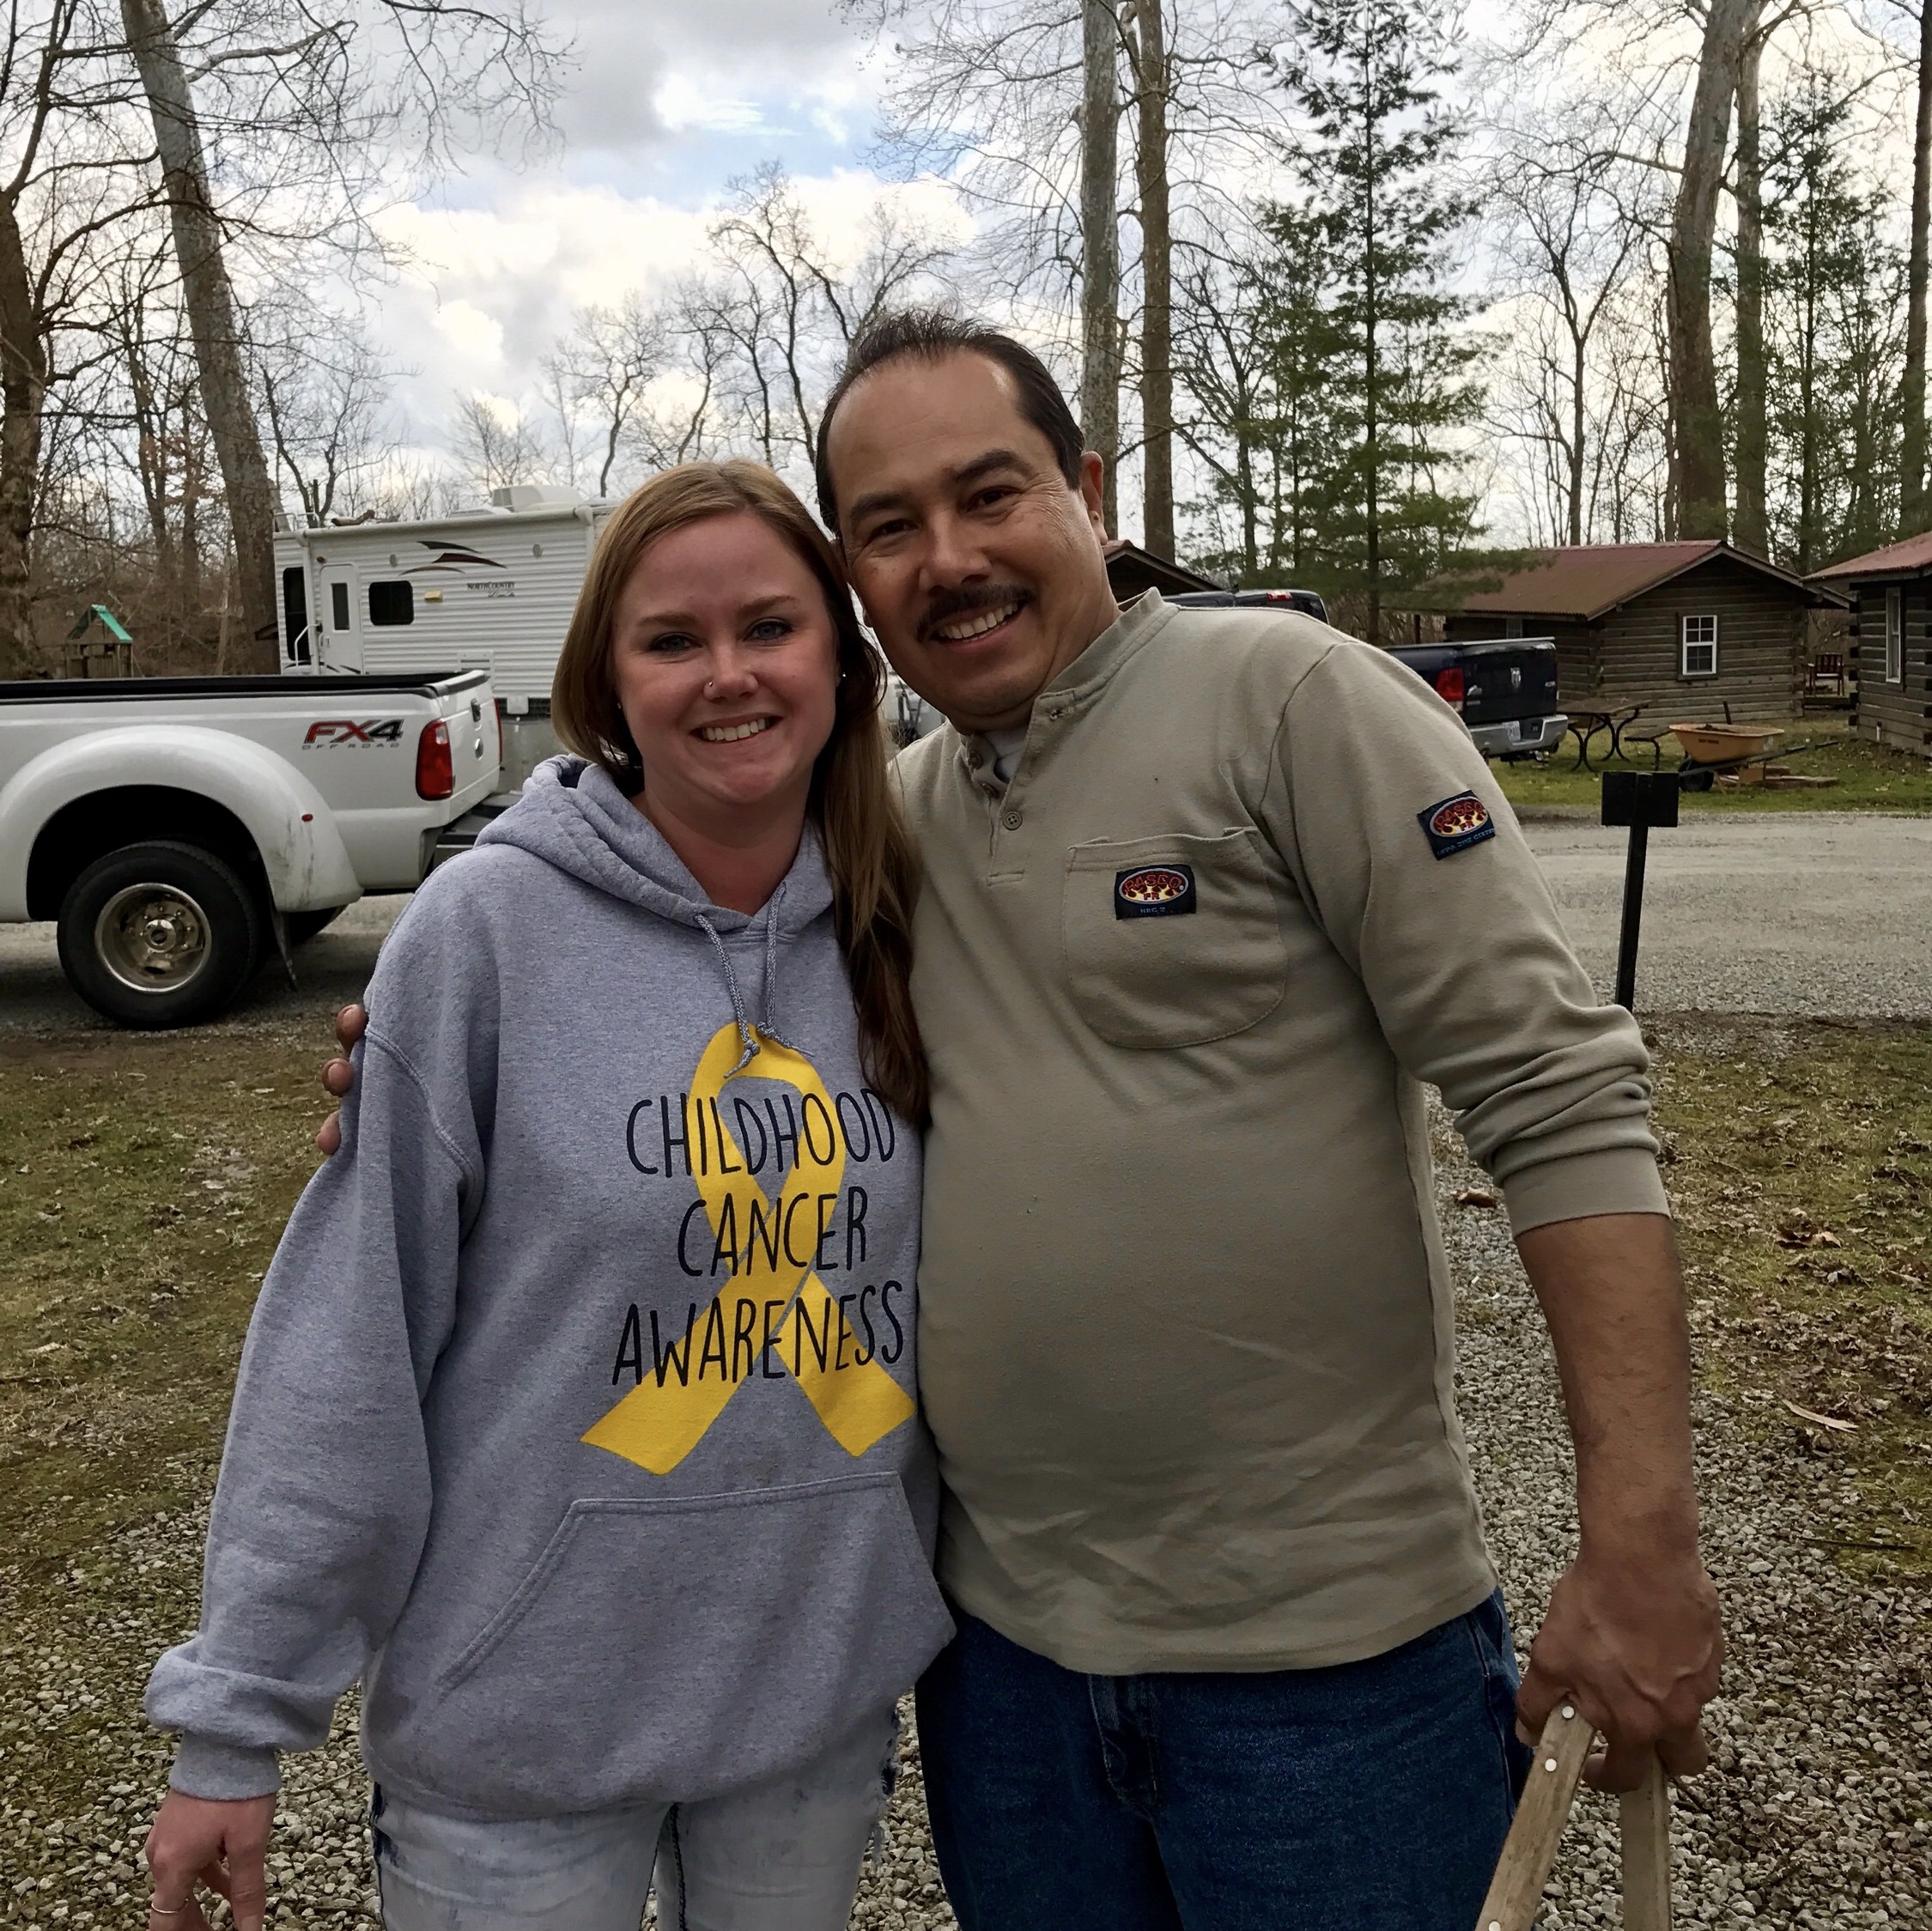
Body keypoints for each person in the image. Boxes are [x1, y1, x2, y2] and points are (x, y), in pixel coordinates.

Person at [324, 313, 1724, 1929]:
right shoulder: (886, 831)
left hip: (1327, 1669)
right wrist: (430, 1047)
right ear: (855, 582)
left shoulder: (1292, 702)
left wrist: (1638, 1544)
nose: (950, 558)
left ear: (1088, 490)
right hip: (1006, 1677)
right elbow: (666, 975)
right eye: (888, 526)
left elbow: (1556, 1094)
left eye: (990, 493)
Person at [141, 460, 953, 1931]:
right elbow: (350, 1334)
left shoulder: (911, 917)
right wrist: (236, 1714)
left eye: (770, 626)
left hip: (807, 1711)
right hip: (516, 1728)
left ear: (841, 659)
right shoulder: (485, 929)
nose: (728, 674)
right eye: (671, 639)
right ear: (606, 679)